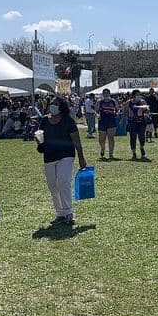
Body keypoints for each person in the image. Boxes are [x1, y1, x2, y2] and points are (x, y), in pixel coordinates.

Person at [34, 96, 88, 225]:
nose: (53, 105)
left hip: (66, 155)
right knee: (53, 186)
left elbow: (76, 140)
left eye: (56, 103)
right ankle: (60, 213)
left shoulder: (68, 121)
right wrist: (38, 139)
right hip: (49, 156)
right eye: (52, 103)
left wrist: (81, 157)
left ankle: (69, 213)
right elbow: (40, 135)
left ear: (62, 106)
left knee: (63, 181)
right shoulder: (44, 121)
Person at [126, 89, 150, 160]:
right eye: (137, 95)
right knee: (133, 138)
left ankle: (142, 147)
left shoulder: (142, 101)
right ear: (133, 95)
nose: (138, 96)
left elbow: (147, 110)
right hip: (132, 122)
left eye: (139, 94)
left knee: (142, 137)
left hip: (141, 122)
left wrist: (144, 109)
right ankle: (134, 153)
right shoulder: (129, 102)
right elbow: (125, 111)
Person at [96, 88, 119, 160]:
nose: (106, 94)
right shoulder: (100, 101)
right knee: (101, 139)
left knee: (111, 138)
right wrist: (97, 115)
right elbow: (96, 111)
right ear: (102, 94)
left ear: (109, 94)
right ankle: (102, 149)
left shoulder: (113, 101)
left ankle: (111, 154)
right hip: (102, 120)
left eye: (107, 93)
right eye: (104, 93)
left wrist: (117, 113)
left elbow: (117, 110)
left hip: (111, 120)